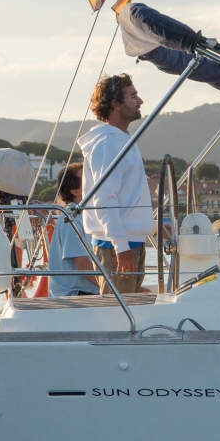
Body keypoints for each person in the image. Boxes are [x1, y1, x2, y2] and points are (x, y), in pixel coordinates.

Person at [77, 73, 154, 294]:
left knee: (128, 311)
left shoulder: (122, 139)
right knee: (117, 314)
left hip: (130, 242)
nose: (140, 101)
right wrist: (121, 248)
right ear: (115, 104)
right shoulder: (108, 142)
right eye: (133, 96)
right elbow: (104, 199)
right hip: (116, 245)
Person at [47, 163, 99, 297]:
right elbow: (82, 264)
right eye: (88, 178)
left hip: (88, 291)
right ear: (76, 191)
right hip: (74, 295)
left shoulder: (85, 215)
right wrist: (119, 289)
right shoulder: (71, 218)